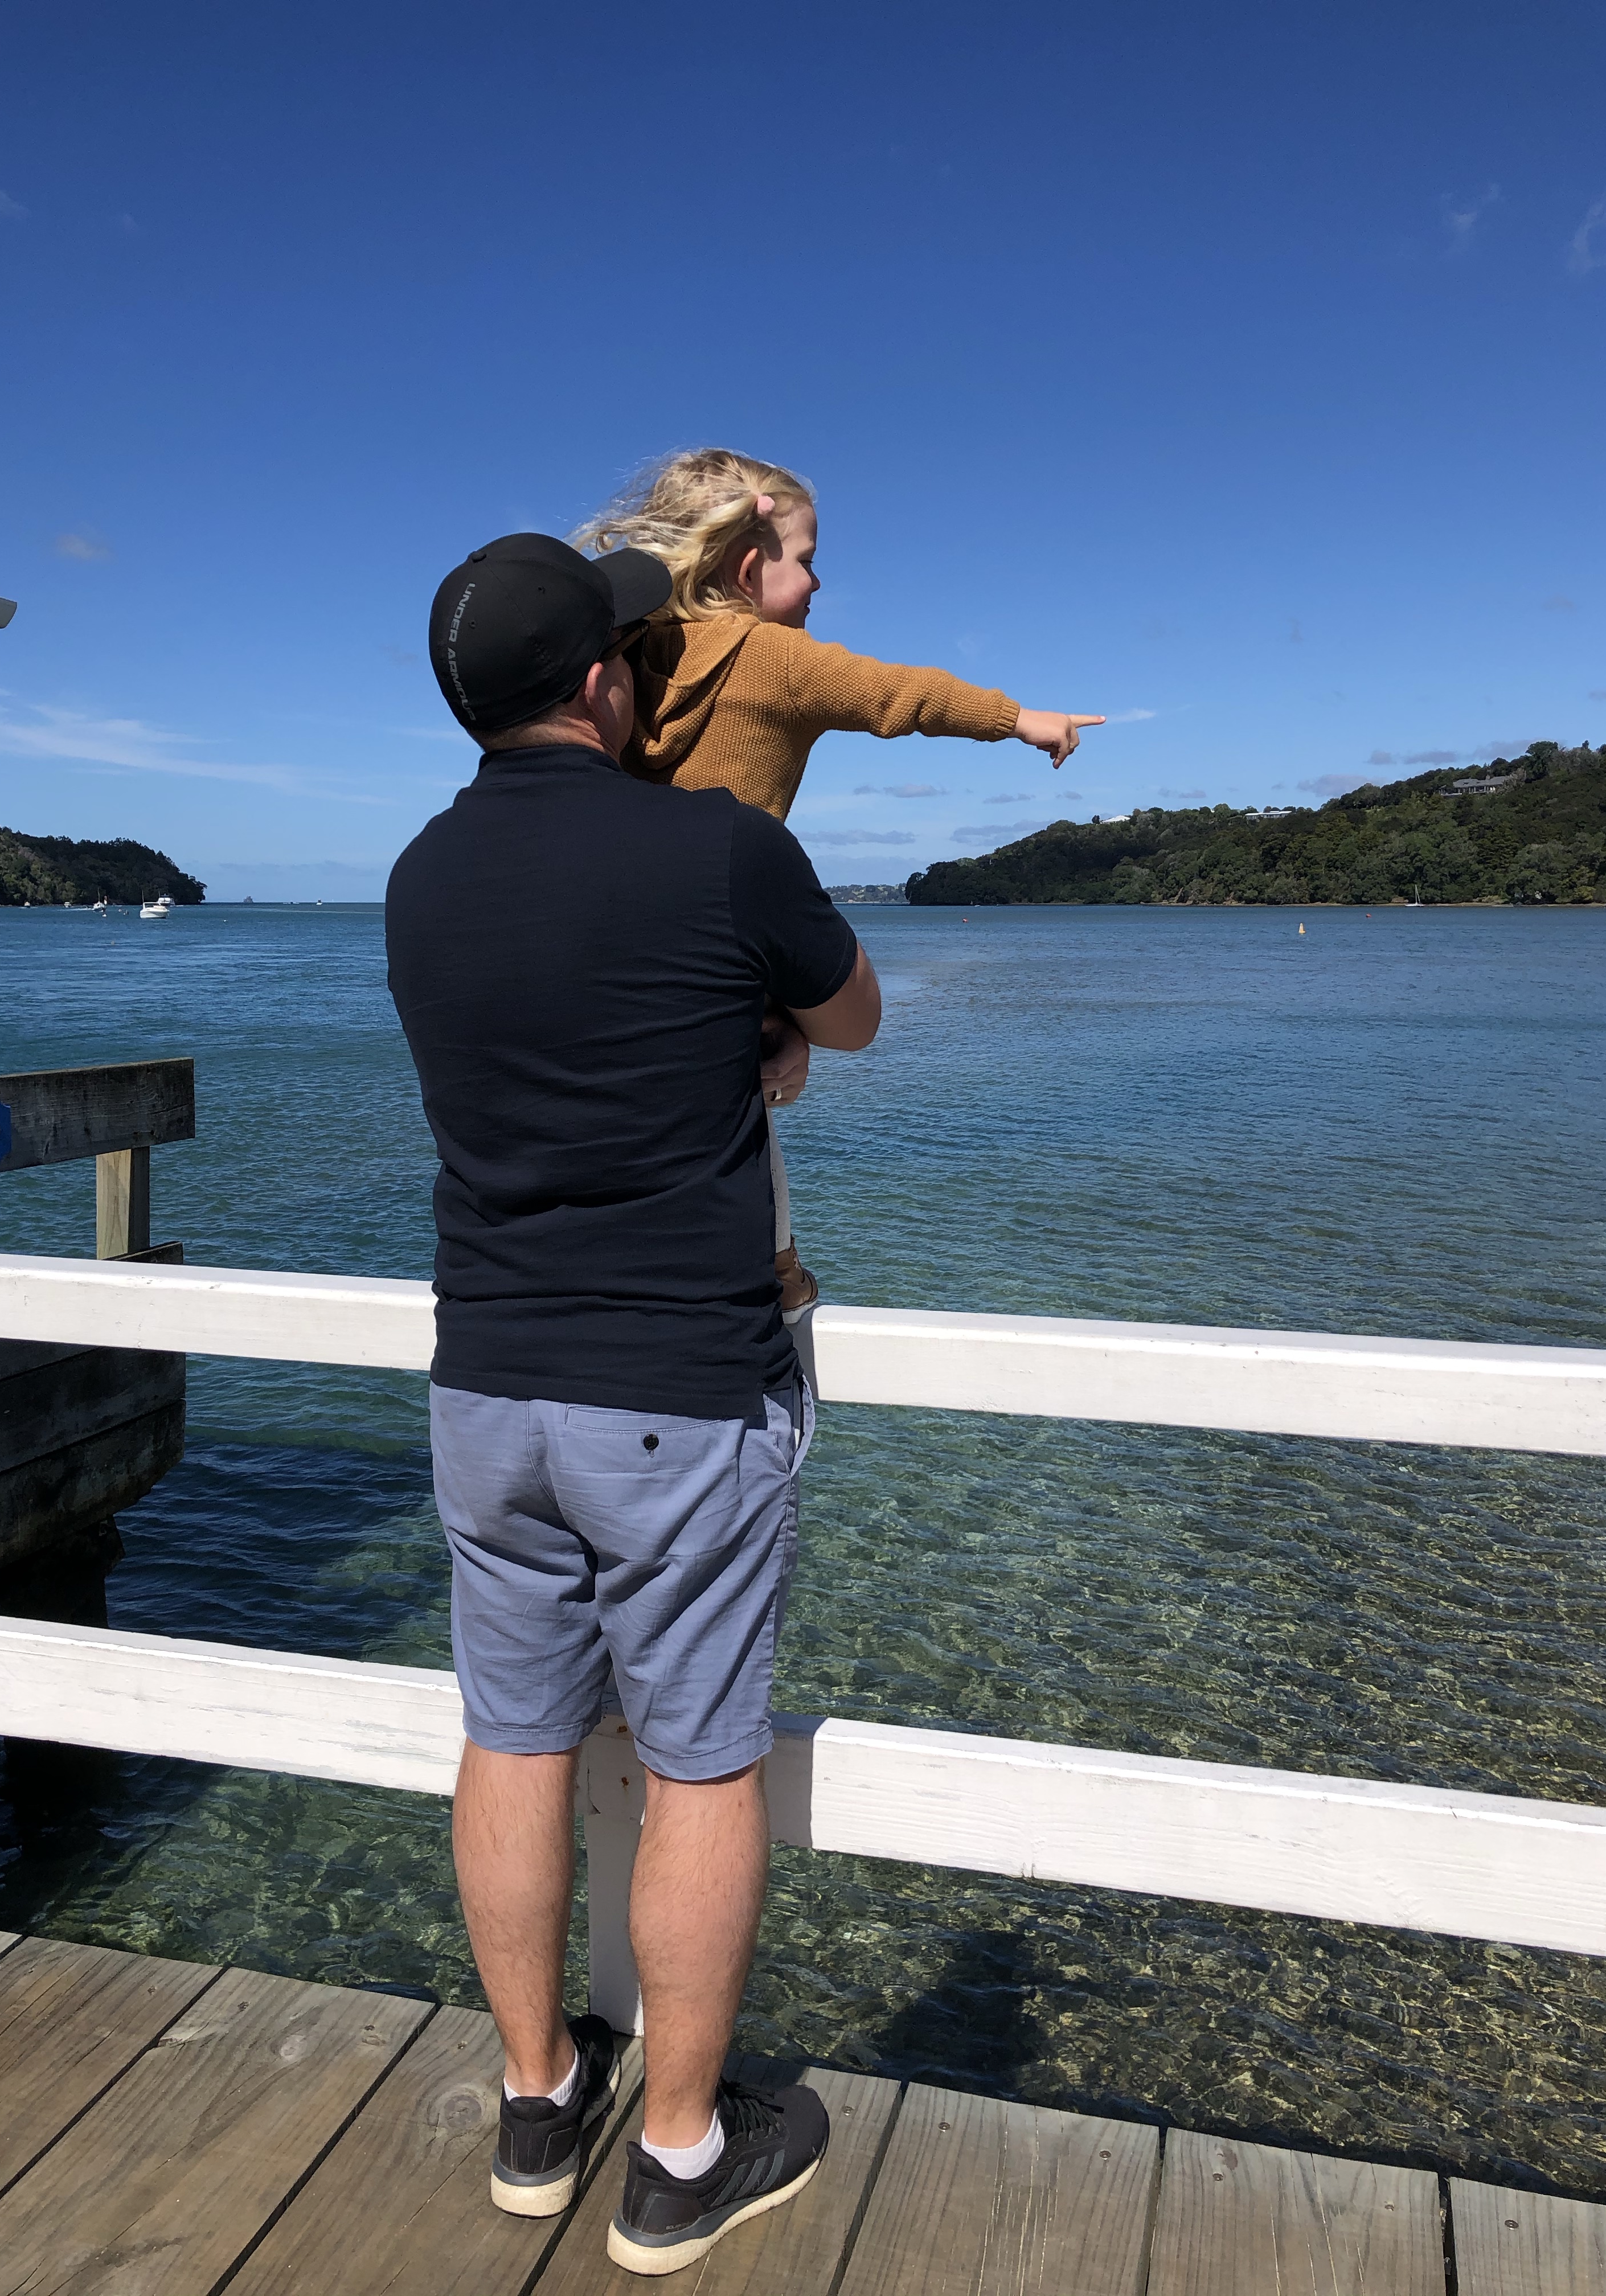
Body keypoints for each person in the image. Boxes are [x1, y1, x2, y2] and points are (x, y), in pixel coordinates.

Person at [385, 532, 882, 2277]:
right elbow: (853, 1015)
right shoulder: (723, 850)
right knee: (700, 1766)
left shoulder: (418, 878)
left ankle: (538, 2106)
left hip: (486, 1388)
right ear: (604, 679)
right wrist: (769, 1034)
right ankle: (677, 2155)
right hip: (672, 1390)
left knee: (515, 1738)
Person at [576, 447, 1103, 1310]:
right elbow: (898, 695)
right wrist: (1018, 718)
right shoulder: (772, 658)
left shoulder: (632, 657)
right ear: (748, 566)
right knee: (746, 1120)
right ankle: (779, 1274)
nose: (820, 583)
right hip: (724, 936)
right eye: (808, 559)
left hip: (623, 944)